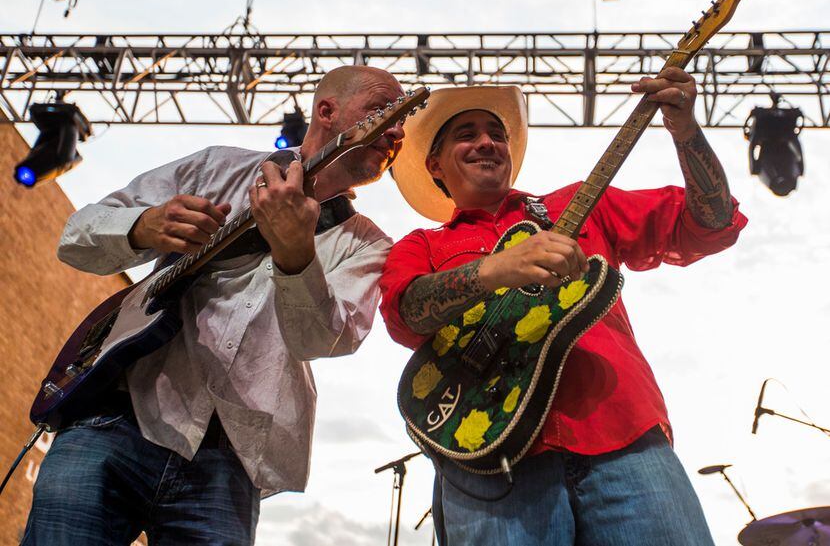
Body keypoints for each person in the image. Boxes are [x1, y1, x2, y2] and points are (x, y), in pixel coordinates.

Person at [23, 65, 405, 545]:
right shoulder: (215, 167)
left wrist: (296, 256)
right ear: (327, 111)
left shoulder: (368, 244)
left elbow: (324, 340)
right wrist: (142, 226)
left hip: (227, 461)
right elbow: (75, 236)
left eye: (402, 122)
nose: (396, 130)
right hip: (116, 417)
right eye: (382, 112)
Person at [379, 70, 747, 545]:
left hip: (622, 433)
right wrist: (494, 270)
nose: (487, 142)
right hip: (488, 453)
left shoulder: (578, 203)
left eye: (497, 134)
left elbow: (712, 221)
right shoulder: (422, 244)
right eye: (466, 135)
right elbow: (405, 313)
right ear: (434, 166)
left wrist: (685, 130)